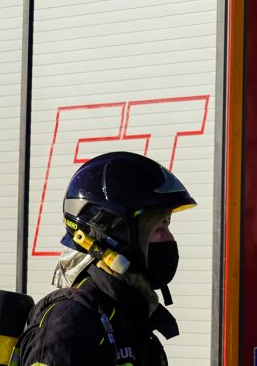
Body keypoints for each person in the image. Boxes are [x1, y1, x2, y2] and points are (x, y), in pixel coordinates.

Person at [15, 151, 196, 366]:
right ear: (117, 233)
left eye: (168, 227)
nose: (169, 239)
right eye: (159, 228)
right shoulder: (71, 323)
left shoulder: (130, 318)